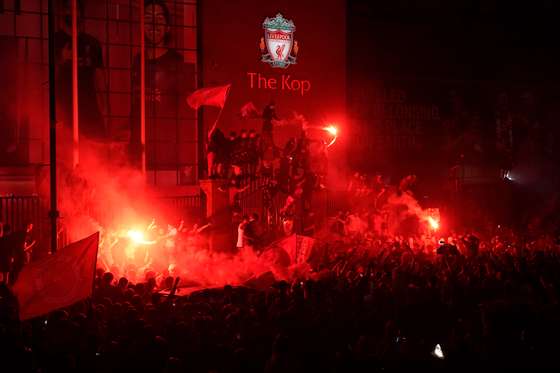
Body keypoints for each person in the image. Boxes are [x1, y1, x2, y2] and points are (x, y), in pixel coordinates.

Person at [130, 0, 195, 169]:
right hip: (139, 148)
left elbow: (186, 111)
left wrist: (186, 155)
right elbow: (135, 104)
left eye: (159, 18)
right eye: (148, 18)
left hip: (167, 151)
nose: (153, 23)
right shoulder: (138, 61)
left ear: (167, 27)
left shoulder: (177, 62)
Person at [55, 0, 107, 151]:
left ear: (81, 13)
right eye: (67, 9)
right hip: (63, 110)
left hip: (90, 110)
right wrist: (62, 59)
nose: (72, 13)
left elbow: (99, 78)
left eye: (76, 9)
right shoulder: (53, 41)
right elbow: (43, 77)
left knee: (95, 154)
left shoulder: (92, 43)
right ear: (60, 12)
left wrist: (105, 109)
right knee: (67, 155)